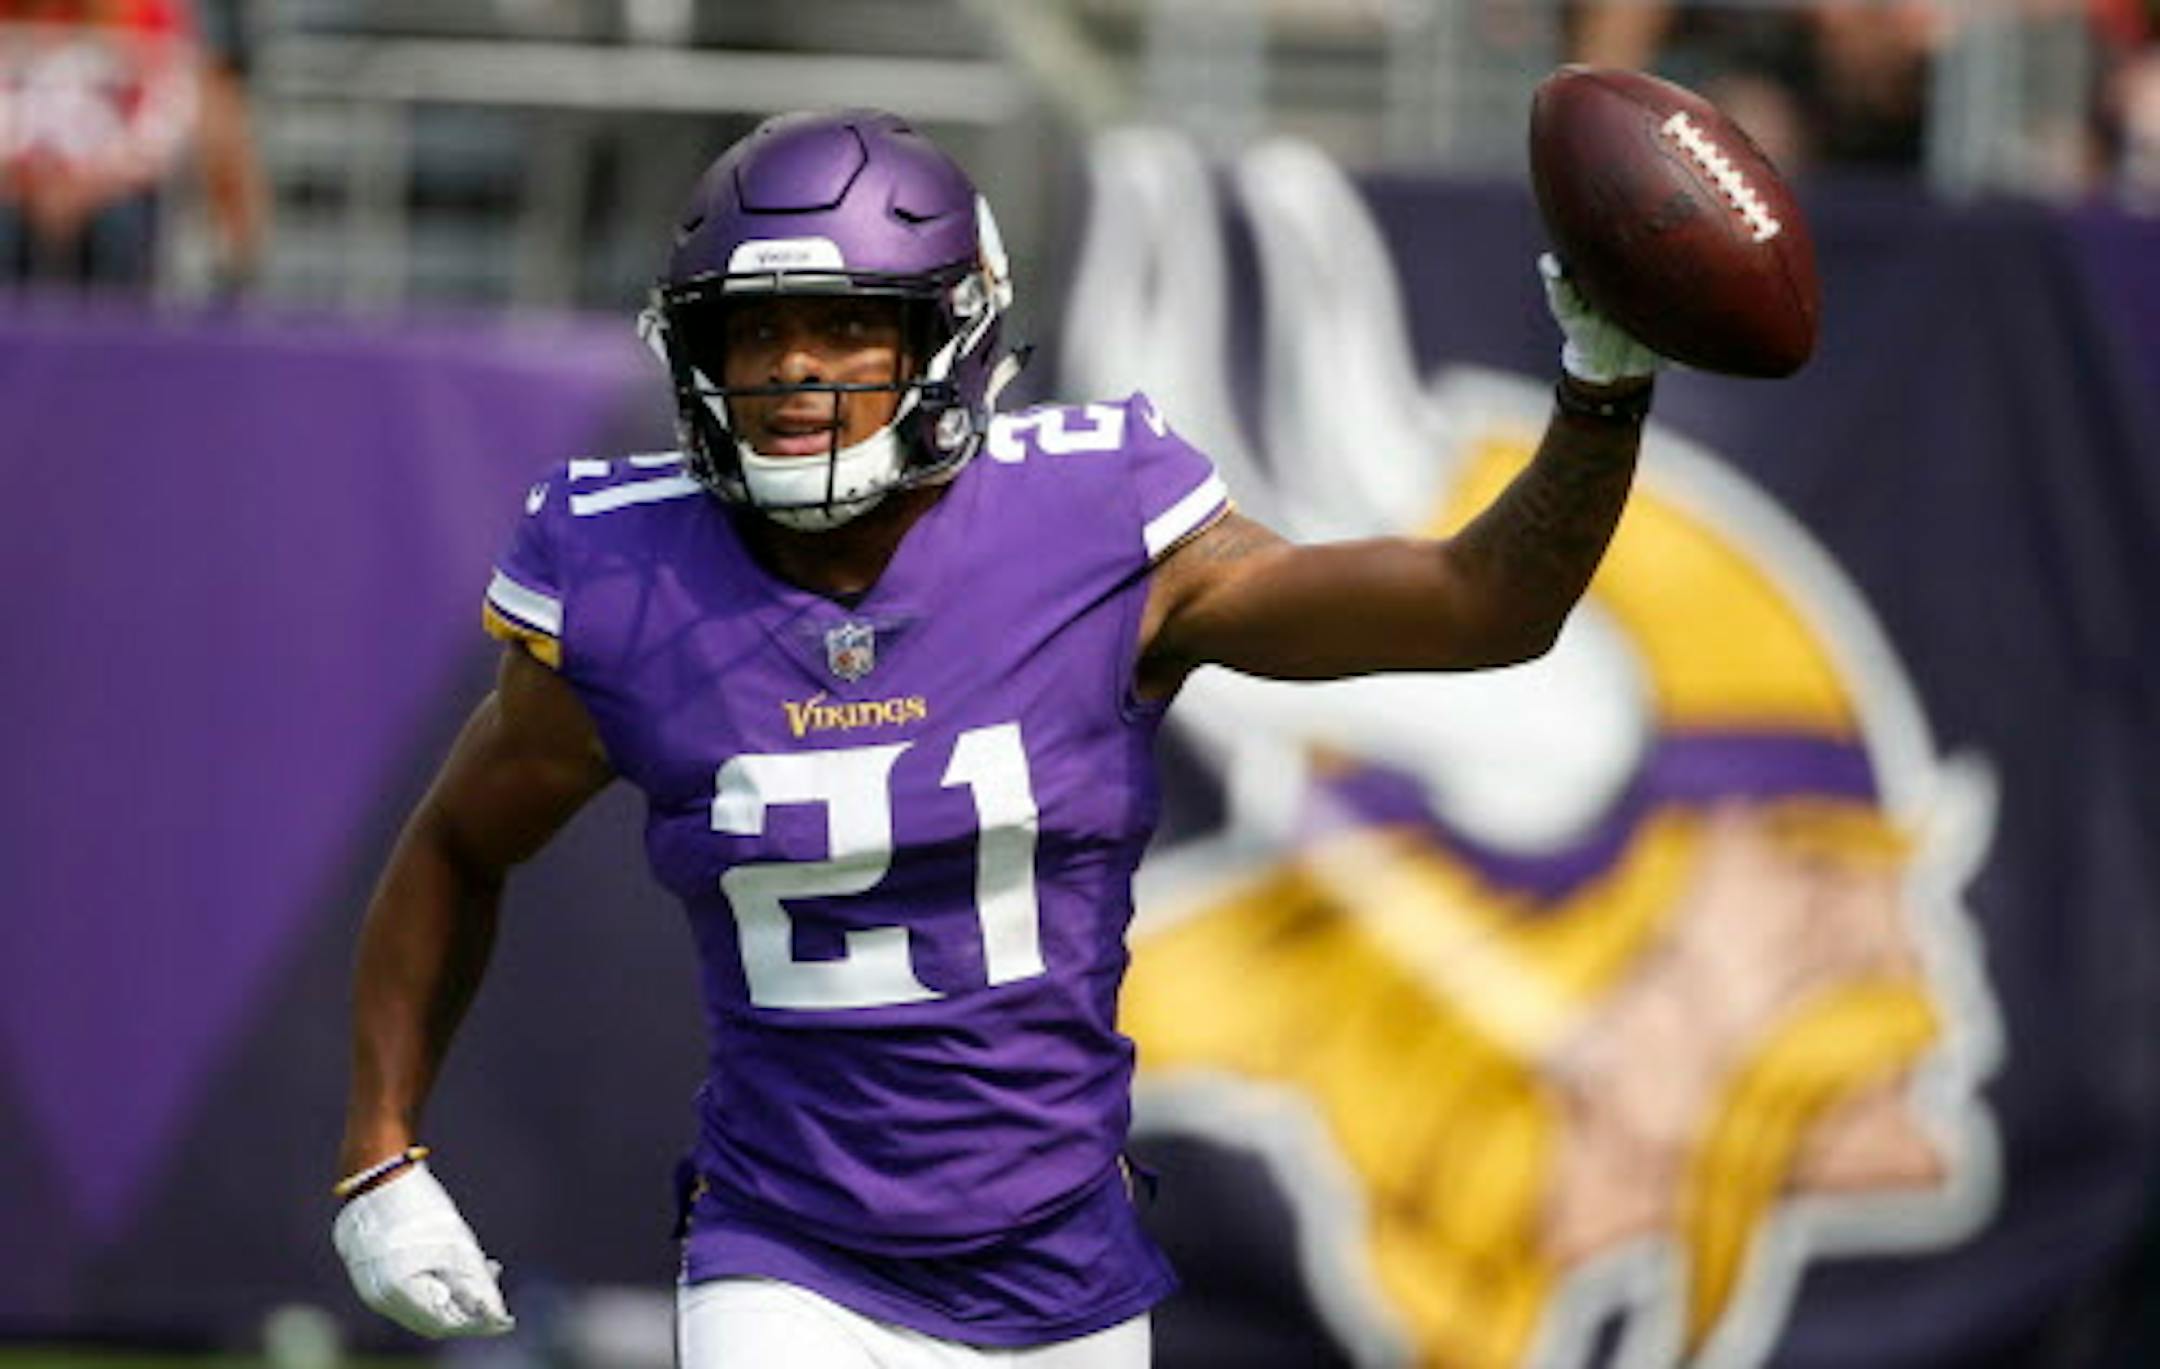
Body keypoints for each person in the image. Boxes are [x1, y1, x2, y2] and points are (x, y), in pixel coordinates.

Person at [329, 108, 1664, 1366]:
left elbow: (1480, 604)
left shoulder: (1096, 526)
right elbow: (457, 842)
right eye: (755, 329)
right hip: (784, 1250)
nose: (794, 367)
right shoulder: (631, 577)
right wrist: (380, 1152)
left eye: (848, 325)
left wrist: (1601, 391)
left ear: (948, 337)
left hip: (1060, 1271)